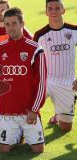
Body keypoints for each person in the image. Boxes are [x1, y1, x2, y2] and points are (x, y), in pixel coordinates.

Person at [0, 7, 47, 153]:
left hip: (28, 111)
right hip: (7, 111)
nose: (10, 28)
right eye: (7, 24)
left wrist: (34, 110)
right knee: (4, 149)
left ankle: (23, 132)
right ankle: (17, 134)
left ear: (22, 24)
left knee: (38, 149)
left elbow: (41, 83)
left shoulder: (35, 49)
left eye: (14, 23)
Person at [34, 0, 77, 132]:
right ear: (46, 11)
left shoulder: (74, 30)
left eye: (57, 8)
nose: (53, 11)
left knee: (66, 128)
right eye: (50, 8)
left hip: (67, 81)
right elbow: (32, 60)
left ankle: (58, 116)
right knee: (25, 106)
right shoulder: (40, 35)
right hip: (46, 81)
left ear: (63, 10)